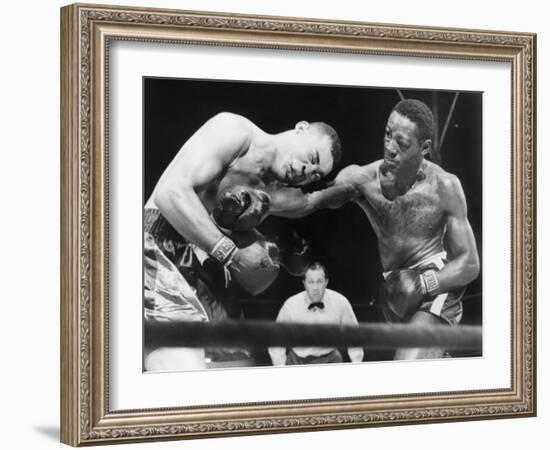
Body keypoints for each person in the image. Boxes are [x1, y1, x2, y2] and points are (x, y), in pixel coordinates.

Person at [276, 99, 480, 360]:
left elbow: (470, 263)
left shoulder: (445, 186)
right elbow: (308, 202)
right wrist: (265, 202)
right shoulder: (363, 180)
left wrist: (424, 283)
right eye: (387, 135)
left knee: (405, 376)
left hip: (437, 285)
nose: (390, 148)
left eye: (402, 143)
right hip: (393, 290)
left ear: (425, 147)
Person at [144, 112, 342, 371]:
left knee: (234, 369)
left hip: (206, 274)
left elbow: (333, 195)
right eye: (313, 158)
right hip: (158, 248)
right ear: (301, 128)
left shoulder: (280, 196)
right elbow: (169, 192)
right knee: (183, 375)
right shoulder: (236, 133)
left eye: (315, 174)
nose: (306, 171)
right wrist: (231, 253)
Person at [268, 262, 364, 365]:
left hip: (331, 360)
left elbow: (354, 336)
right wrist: (280, 369)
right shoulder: (290, 305)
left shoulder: (340, 302)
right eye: (311, 282)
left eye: (319, 281)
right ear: (304, 283)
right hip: (297, 361)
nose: (315, 287)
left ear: (326, 282)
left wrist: (356, 364)